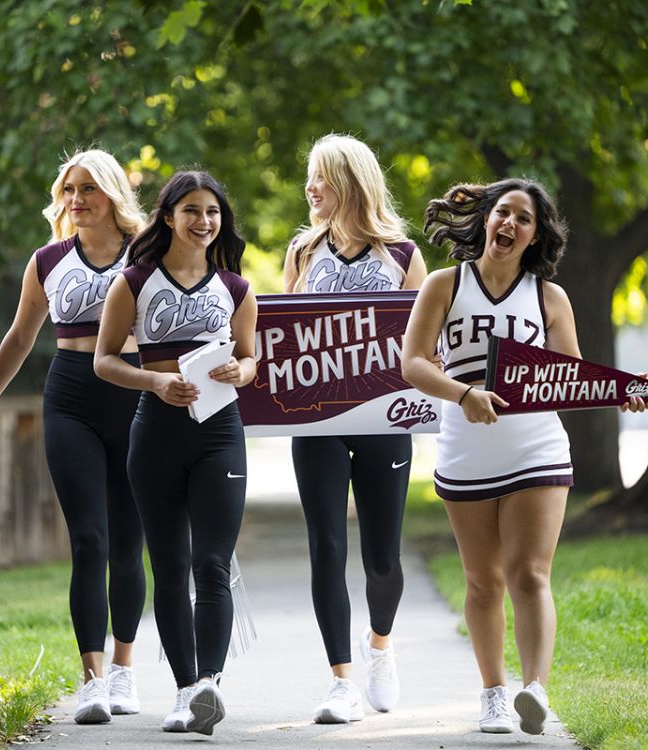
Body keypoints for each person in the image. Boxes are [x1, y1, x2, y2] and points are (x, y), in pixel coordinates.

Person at [401, 178, 648, 735]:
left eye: (524, 219)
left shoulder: (548, 297)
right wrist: (463, 394)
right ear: (486, 219)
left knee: (530, 575)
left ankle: (535, 690)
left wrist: (621, 390)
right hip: (465, 452)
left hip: (536, 449)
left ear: (535, 236)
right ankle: (493, 693)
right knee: (483, 580)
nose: (510, 224)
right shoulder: (444, 285)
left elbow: (572, 376)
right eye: (503, 213)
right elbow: (413, 364)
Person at [0, 149, 148, 724]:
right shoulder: (47, 260)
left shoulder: (148, 256)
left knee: (127, 541)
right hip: (69, 397)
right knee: (89, 540)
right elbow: (20, 337)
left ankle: (123, 670)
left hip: (136, 397)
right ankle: (91, 679)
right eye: (69, 190)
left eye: (89, 189)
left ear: (114, 194)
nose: (77, 200)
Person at [94, 170, 257, 736]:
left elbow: (252, 360)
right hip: (156, 434)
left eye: (212, 212)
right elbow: (104, 360)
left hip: (219, 434)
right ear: (168, 217)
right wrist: (155, 383)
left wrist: (243, 368)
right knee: (168, 566)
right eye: (191, 210)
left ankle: (209, 682)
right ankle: (185, 690)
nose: (203, 221)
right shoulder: (134, 282)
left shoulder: (236, 288)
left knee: (212, 563)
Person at [282, 134, 427, 724]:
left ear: (350, 184)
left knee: (382, 559)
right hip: (316, 424)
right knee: (325, 549)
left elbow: (425, 343)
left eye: (320, 178)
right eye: (310, 177)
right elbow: (282, 336)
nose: (310, 188)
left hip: (383, 422)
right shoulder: (301, 252)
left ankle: (380, 648)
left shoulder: (401, 255)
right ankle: (340, 680)